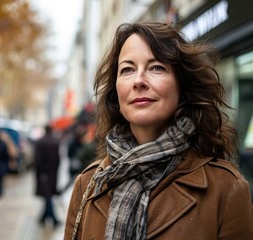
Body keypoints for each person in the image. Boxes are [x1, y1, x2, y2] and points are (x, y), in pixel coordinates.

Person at [64, 21, 253, 240]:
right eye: (127, 69)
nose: (139, 81)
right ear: (116, 91)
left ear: (182, 85)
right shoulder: (88, 184)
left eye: (156, 67)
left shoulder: (226, 188)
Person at [34, 125, 61, 227]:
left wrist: (39, 173)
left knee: (47, 196)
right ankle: (47, 217)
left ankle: (52, 219)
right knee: (48, 195)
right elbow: (58, 159)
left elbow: (37, 160)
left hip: (44, 173)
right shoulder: (55, 141)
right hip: (52, 173)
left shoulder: (40, 142)